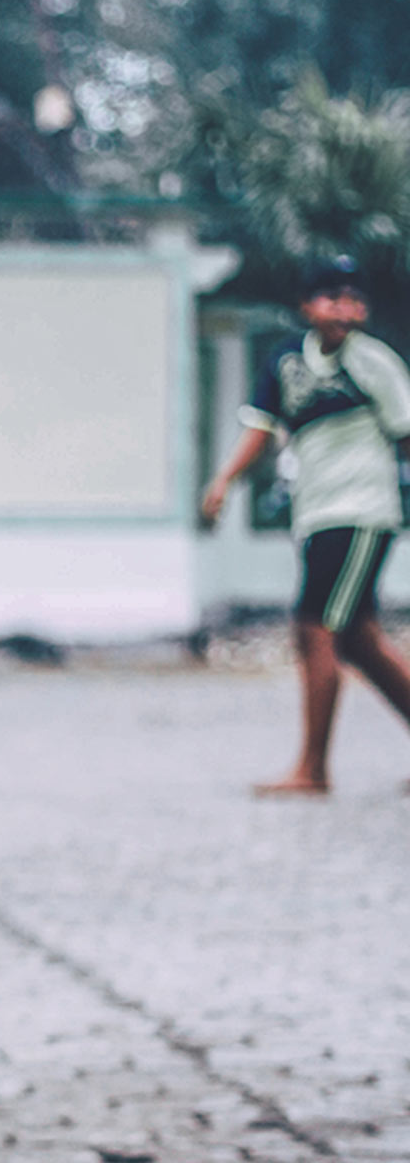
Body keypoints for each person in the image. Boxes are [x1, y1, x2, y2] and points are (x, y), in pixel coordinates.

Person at [203, 255, 410, 794]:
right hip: (316, 513)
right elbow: (260, 429)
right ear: (307, 305)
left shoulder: (374, 364)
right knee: (360, 641)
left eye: (352, 298)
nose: (343, 308)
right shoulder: (286, 362)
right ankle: (312, 767)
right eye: (330, 297)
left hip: (361, 514)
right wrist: (224, 480)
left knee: (315, 628)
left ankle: (312, 770)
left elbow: (406, 432)